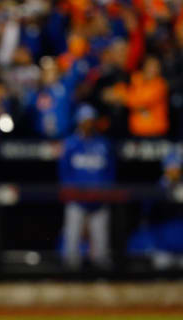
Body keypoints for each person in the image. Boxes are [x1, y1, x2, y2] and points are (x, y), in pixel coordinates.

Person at [58, 104, 115, 270]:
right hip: (77, 200)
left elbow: (110, 171)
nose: (88, 124)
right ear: (79, 122)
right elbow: (64, 172)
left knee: (101, 244)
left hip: (99, 200)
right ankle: (70, 272)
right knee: (72, 242)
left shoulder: (104, 144)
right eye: (85, 120)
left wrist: (105, 192)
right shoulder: (70, 143)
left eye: (91, 120)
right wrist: (72, 193)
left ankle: (102, 273)